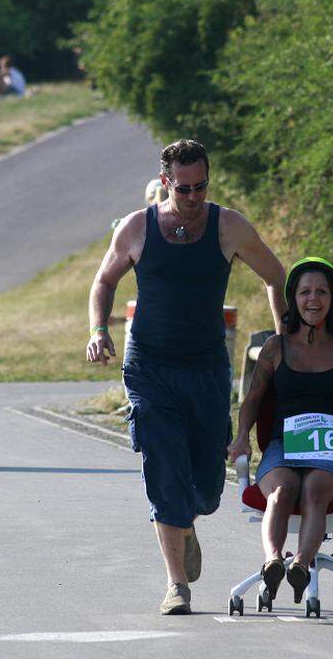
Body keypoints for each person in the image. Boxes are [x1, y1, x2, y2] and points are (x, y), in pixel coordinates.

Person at [86, 139, 286, 616]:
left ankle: (187, 521)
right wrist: (97, 329)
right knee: (162, 464)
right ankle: (177, 585)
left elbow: (277, 276)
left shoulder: (229, 226)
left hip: (205, 367)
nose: (193, 197)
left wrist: (284, 339)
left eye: (201, 187)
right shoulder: (138, 227)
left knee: (205, 487)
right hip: (149, 365)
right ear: (165, 182)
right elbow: (104, 280)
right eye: (184, 189)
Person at [228, 257, 333, 605]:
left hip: (330, 447)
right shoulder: (275, 347)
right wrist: (241, 435)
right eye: (304, 292)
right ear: (293, 299)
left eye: (321, 292)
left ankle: (300, 564)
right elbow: (253, 399)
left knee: (315, 489)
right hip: (283, 445)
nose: (313, 299)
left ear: (332, 298)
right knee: (282, 490)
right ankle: (273, 561)